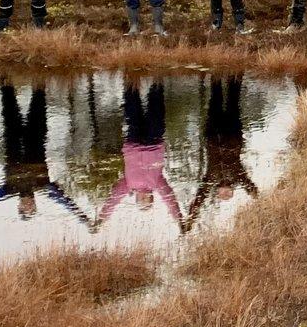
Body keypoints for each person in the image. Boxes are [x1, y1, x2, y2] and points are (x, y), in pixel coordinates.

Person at [0, 83, 91, 228]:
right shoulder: (43, 186)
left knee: (8, 99)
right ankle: (39, 76)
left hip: (13, 140)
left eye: (25, 208)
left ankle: (6, 74)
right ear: (35, 204)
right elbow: (65, 201)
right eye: (31, 207)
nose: (28, 204)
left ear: (19, 206)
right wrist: (83, 218)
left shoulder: (10, 188)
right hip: (35, 139)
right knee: (39, 99)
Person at [98, 80, 182, 229]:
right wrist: (179, 220)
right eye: (147, 200)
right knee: (156, 109)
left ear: (136, 199)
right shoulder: (157, 185)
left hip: (134, 142)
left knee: (132, 109)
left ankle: (130, 77)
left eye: (141, 200)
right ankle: (156, 80)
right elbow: (170, 199)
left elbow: (113, 200)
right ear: (151, 198)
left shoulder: (128, 186)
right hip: (153, 142)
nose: (144, 198)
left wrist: (102, 218)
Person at [185, 75, 258, 230]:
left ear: (218, 191)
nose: (225, 193)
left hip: (213, 133)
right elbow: (250, 187)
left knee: (215, 101)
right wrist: (260, 200)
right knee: (233, 102)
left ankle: (217, 76)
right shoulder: (238, 177)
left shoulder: (211, 179)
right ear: (232, 190)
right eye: (228, 194)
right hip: (232, 134)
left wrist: (192, 217)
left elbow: (201, 196)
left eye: (222, 195)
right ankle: (236, 75)